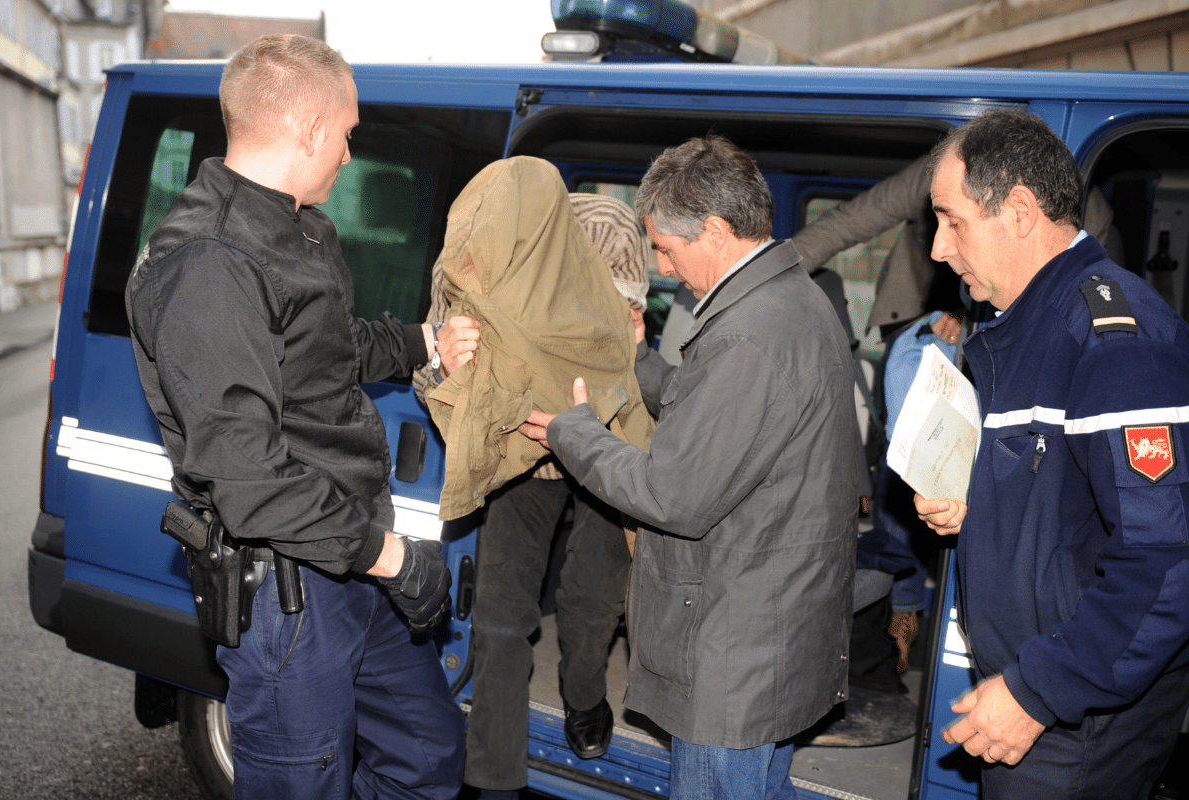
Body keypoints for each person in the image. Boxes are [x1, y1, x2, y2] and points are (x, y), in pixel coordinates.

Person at [126, 34, 477, 800]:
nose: (350, 154)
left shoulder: (295, 226)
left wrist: (423, 340)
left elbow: (324, 346)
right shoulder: (209, 263)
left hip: (344, 554)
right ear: (311, 130)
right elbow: (248, 478)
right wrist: (390, 558)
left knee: (428, 749)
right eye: (347, 132)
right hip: (290, 591)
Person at [520, 135, 862, 800]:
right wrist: (634, 361)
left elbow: (668, 493)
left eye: (666, 248)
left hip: (734, 661)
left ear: (713, 229)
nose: (663, 267)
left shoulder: (746, 335)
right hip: (776, 640)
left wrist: (573, 434)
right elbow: (721, 416)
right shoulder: (791, 302)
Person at [915, 107, 1189, 799]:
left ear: (1019, 211)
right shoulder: (1026, 325)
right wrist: (980, 509)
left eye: (953, 221)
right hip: (1050, 710)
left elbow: (1165, 561)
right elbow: (1066, 499)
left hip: (1079, 725)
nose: (938, 250)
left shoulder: (1112, 339)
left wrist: (1039, 691)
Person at [413, 189, 648, 799]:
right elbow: (433, 378)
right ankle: (493, 783)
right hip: (522, 457)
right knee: (499, 617)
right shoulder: (481, 253)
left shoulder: (610, 228)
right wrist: (444, 363)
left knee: (592, 595)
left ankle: (583, 698)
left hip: (603, 437)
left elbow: (626, 342)